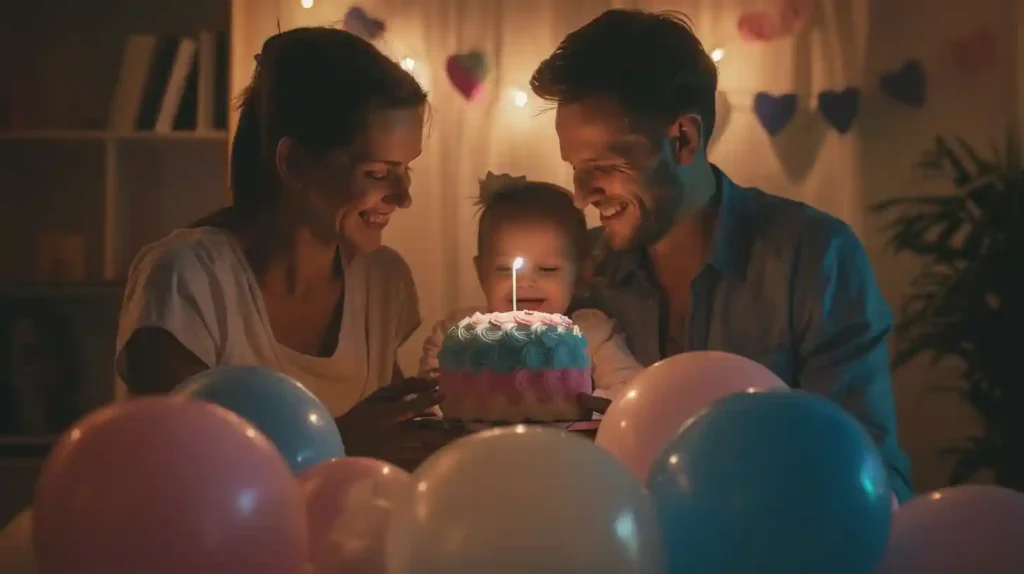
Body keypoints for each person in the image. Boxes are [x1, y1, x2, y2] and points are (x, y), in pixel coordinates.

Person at [529, 9, 913, 500]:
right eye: (575, 168)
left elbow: (872, 482)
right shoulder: (577, 273)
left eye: (603, 166)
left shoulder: (813, 259)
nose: (581, 196)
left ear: (683, 138)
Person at [115, 27, 441, 458]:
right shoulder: (189, 280)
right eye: (378, 173)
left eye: (407, 171)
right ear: (295, 163)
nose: (403, 196)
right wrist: (338, 442)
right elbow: (180, 460)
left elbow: (388, 445)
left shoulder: (383, 282)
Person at [418, 173, 642, 401]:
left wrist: (579, 406)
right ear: (481, 272)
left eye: (547, 269)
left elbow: (629, 392)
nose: (524, 282)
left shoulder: (592, 333)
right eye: (505, 269)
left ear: (582, 274)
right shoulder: (458, 332)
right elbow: (428, 395)